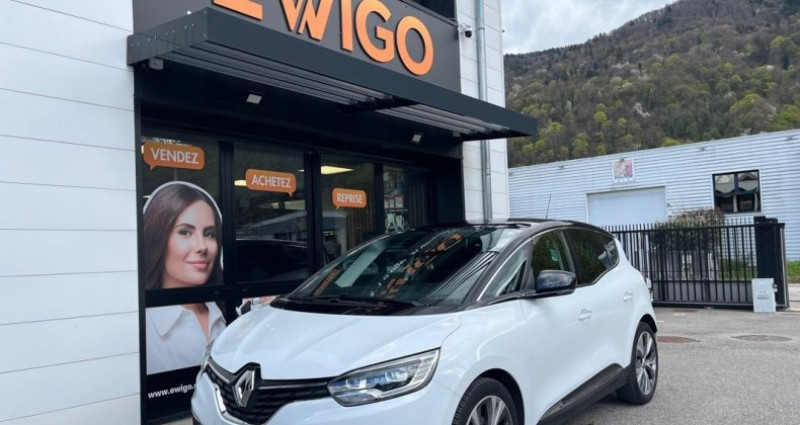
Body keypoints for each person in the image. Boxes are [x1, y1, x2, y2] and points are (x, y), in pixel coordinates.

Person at [143, 181, 227, 374]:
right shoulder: (144, 326)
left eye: (209, 234)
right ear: (158, 238)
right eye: (185, 232)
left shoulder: (222, 312)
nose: (202, 246)